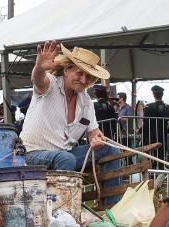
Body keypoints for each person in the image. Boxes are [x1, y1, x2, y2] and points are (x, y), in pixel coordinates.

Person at [19, 41, 122, 196]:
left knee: (111, 149)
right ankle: (62, 210)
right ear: (66, 70)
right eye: (79, 73)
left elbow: (94, 132)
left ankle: (111, 208)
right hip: (32, 153)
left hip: (65, 154)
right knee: (66, 159)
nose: (83, 80)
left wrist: (97, 138)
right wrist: (39, 68)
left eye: (88, 76)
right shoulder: (51, 84)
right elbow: (38, 80)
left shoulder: (86, 100)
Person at [142, 84, 169, 164]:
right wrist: (166, 131)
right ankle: (160, 173)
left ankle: (151, 173)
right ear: (162, 94)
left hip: (150, 136)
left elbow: (145, 123)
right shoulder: (167, 108)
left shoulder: (148, 107)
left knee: (150, 156)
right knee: (161, 156)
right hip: (162, 136)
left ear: (153, 94)